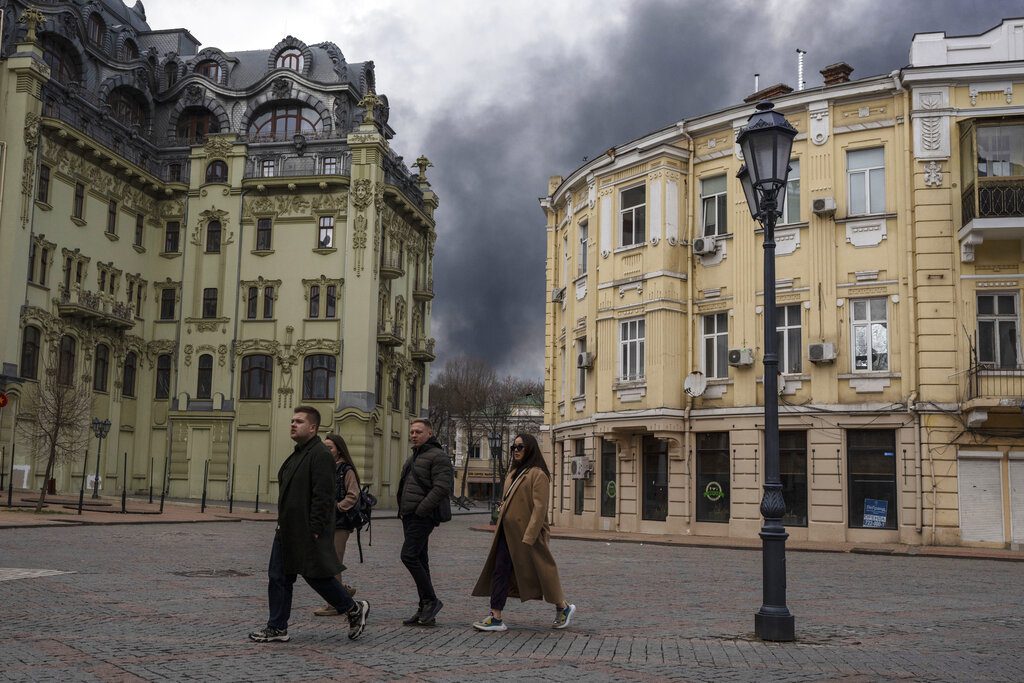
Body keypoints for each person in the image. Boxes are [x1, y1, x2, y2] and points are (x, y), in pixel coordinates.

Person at [248, 406, 369, 643]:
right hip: (287, 529)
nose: (293, 424)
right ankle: (277, 627)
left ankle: (353, 608)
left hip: (306, 530)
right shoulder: (298, 453)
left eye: (299, 421)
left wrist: (315, 528)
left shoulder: (320, 454)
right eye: (292, 420)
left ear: (313, 428)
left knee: (316, 577)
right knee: (279, 577)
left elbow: (324, 496)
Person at [471, 433, 575, 632]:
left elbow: (540, 508)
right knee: (500, 570)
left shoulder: (538, 474)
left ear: (530, 448)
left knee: (542, 573)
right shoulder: (512, 473)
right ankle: (496, 616)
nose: (516, 451)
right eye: (513, 447)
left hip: (528, 536)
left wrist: (530, 536)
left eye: (520, 447)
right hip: (507, 533)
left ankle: (563, 606)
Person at [397, 418, 453, 626]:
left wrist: (421, 510)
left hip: (423, 515)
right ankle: (425, 608)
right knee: (420, 559)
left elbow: (441, 487)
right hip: (409, 515)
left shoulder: (438, 456)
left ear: (429, 433)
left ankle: (431, 600)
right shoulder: (415, 456)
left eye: (418, 432)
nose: (413, 435)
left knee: (408, 555)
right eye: (411, 432)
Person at [313, 433, 361, 616]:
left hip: (340, 524)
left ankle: (334, 604)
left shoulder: (346, 469)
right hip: (325, 522)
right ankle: (342, 591)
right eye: (324, 447)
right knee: (327, 561)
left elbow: (353, 494)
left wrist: (338, 507)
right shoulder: (325, 467)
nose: (326, 450)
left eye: (330, 447)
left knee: (333, 562)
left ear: (339, 450)